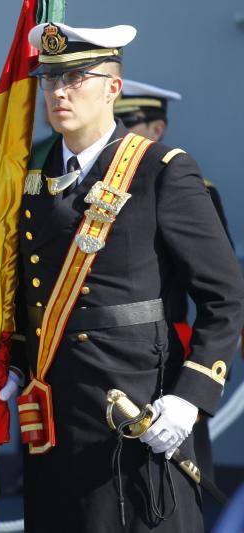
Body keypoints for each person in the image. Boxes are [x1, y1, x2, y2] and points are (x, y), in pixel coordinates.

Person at [10, 23, 244, 532]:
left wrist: (191, 396)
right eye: (50, 80)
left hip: (140, 404)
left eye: (75, 78)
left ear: (113, 88)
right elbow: (26, 288)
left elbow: (224, 297)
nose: (58, 91)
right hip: (54, 407)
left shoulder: (162, 170)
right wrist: (11, 360)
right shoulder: (31, 176)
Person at [115, 79, 236, 489]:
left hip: (164, 354)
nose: (119, 130)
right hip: (108, 362)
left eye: (128, 122)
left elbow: (216, 285)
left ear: (157, 129)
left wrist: (193, 385)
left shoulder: (187, 186)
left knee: (172, 482)